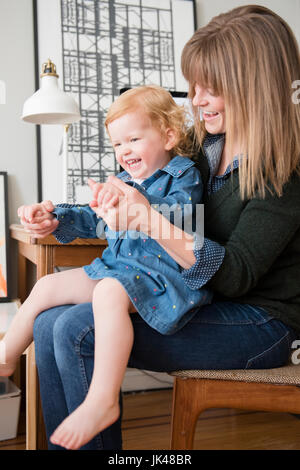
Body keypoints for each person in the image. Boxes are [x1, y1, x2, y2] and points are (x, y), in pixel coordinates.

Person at [18, 4, 300, 450]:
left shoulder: (284, 172)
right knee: (50, 322)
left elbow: (234, 276)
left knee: (76, 329)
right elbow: (137, 191)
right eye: (195, 86)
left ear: (254, 86)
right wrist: (62, 217)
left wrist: (148, 220)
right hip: (204, 300)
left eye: (214, 88)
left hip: (260, 324)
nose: (199, 100)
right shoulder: (201, 154)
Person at [1, 85, 210, 449]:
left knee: (109, 292)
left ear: (168, 135)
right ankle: (5, 359)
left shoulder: (183, 176)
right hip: (118, 268)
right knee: (49, 286)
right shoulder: (126, 181)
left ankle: (103, 398)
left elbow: (178, 213)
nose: (124, 150)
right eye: (117, 144)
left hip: (160, 278)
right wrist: (54, 216)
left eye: (133, 138)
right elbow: (91, 219)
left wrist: (135, 202)